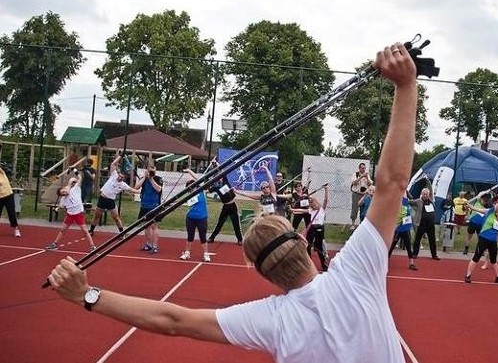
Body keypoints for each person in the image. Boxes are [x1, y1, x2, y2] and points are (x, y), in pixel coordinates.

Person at [47, 42, 417, 362]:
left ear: (258, 270)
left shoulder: (272, 319)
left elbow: (172, 321)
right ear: (303, 242)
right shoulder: (355, 273)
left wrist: (86, 294)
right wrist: (406, 84)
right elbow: (394, 182)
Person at [464, 184, 498, 285]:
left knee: (493, 260)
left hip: (492, 242)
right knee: (476, 258)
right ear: (496, 209)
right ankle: (468, 275)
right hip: (483, 239)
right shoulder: (490, 212)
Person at [88, 154, 140, 237]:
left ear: (124, 179)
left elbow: (132, 190)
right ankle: (91, 230)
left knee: (116, 218)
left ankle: (121, 233)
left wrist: (140, 191)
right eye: (120, 176)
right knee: (97, 216)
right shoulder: (114, 175)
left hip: (110, 201)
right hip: (102, 198)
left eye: (122, 177)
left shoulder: (123, 185)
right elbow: (113, 164)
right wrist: (120, 156)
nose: (120, 177)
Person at [46, 168, 96, 252]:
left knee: (85, 231)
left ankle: (92, 246)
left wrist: (75, 170)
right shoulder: (63, 200)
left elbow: (79, 178)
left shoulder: (75, 189)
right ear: (62, 195)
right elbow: (62, 206)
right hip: (70, 215)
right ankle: (54, 244)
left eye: (64, 190)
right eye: (63, 193)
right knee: (63, 230)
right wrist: (57, 208)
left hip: (78, 214)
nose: (65, 192)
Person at [291, 184, 329, 271]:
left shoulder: (322, 209)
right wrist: (292, 210)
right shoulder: (311, 211)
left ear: (317, 203)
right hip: (312, 229)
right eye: (311, 203)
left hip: (320, 229)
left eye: (313, 202)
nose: (312, 205)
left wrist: (326, 190)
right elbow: (301, 210)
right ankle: (309, 263)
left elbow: (326, 199)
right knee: (308, 245)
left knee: (319, 247)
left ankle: (324, 265)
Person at [179, 169, 213, 262]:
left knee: (203, 237)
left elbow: (198, 179)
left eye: (192, 187)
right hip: (190, 218)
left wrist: (189, 171)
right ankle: (187, 253)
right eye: (189, 188)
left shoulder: (201, 190)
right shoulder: (189, 196)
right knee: (190, 236)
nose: (191, 189)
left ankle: (206, 254)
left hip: (202, 218)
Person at [207, 162, 243, 245]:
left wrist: (216, 163)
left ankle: (240, 240)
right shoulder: (216, 187)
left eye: (220, 177)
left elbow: (222, 170)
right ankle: (212, 238)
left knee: (236, 223)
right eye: (217, 177)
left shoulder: (225, 181)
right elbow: (207, 191)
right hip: (225, 207)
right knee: (220, 223)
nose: (219, 178)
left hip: (233, 206)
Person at [135, 164, 163, 254]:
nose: (151, 172)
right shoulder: (144, 178)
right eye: (149, 170)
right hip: (144, 205)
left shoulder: (158, 179)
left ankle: (154, 246)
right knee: (146, 226)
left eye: (152, 170)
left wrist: (151, 178)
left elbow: (158, 189)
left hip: (154, 206)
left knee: (154, 226)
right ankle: (148, 244)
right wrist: (144, 177)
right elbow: (136, 187)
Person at [408, 188, 440, 261]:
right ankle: (415, 253)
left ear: (429, 194)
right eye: (424, 194)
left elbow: (431, 189)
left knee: (432, 239)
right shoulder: (419, 201)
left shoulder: (431, 200)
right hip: (422, 223)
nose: (425, 195)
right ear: (422, 194)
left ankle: (434, 255)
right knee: (418, 239)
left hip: (431, 223)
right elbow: (410, 202)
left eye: (426, 194)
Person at [389, 197, 418, 271]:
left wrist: (404, 222)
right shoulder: (394, 201)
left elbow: (409, 215)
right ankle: (385, 262)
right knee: (392, 245)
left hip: (405, 228)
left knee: (408, 245)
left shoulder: (406, 202)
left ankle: (411, 263)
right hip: (397, 228)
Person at [349, 162, 373, 229]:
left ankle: (361, 224)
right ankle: (353, 224)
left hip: (364, 194)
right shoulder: (355, 174)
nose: (364, 169)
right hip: (356, 194)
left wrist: (367, 178)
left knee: (363, 209)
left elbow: (371, 183)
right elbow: (354, 182)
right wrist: (361, 176)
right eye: (362, 168)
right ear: (359, 168)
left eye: (364, 168)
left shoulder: (367, 175)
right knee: (354, 208)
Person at [0, 164, 22, 237]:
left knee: (11, 213)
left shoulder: (2, 172)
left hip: (8, 195)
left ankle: (16, 229)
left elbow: (9, 171)